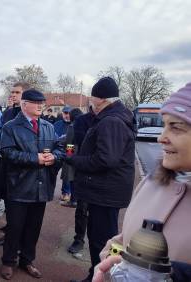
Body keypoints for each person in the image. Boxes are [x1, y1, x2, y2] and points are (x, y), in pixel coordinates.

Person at [92, 82, 191, 282]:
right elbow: (126, 238)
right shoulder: (151, 182)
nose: (161, 137)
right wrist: (111, 255)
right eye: (164, 125)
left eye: (176, 127)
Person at [67, 77, 136, 282]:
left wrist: (76, 161)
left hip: (105, 192)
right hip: (108, 191)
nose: (91, 105)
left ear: (103, 100)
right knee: (110, 238)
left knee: (101, 240)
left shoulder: (111, 121)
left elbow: (106, 159)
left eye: (93, 100)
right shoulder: (116, 117)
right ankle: (99, 274)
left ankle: (103, 277)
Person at [0, 89, 64, 280]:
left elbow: (59, 149)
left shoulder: (48, 127)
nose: (40, 106)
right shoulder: (10, 127)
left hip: (41, 186)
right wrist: (34, 158)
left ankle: (27, 260)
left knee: (33, 228)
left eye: (42, 103)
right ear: (24, 104)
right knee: (15, 227)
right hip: (19, 186)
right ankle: (8, 261)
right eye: (36, 103)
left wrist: (54, 156)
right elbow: (8, 154)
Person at [0, 81, 31, 246]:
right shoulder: (8, 113)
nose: (13, 95)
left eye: (17, 92)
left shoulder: (29, 115)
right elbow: (1, 132)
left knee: (19, 206)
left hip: (21, 166)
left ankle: (18, 236)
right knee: (7, 200)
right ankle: (10, 230)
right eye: (12, 92)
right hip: (5, 163)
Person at [67, 106, 96, 254]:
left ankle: (97, 241)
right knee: (81, 208)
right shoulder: (81, 122)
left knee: (97, 212)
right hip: (82, 170)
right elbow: (70, 143)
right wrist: (70, 157)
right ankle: (79, 239)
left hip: (99, 172)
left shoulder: (108, 121)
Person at [59, 107, 84, 207]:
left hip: (72, 151)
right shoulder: (84, 124)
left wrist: (68, 157)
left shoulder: (72, 126)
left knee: (71, 176)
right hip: (82, 153)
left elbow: (69, 142)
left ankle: (73, 200)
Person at [54, 105, 73, 201]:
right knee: (53, 171)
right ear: (62, 113)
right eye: (65, 113)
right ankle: (50, 189)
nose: (67, 115)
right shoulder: (56, 124)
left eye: (69, 113)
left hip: (69, 149)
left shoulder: (74, 124)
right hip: (57, 150)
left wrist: (69, 153)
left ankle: (66, 192)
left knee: (67, 173)